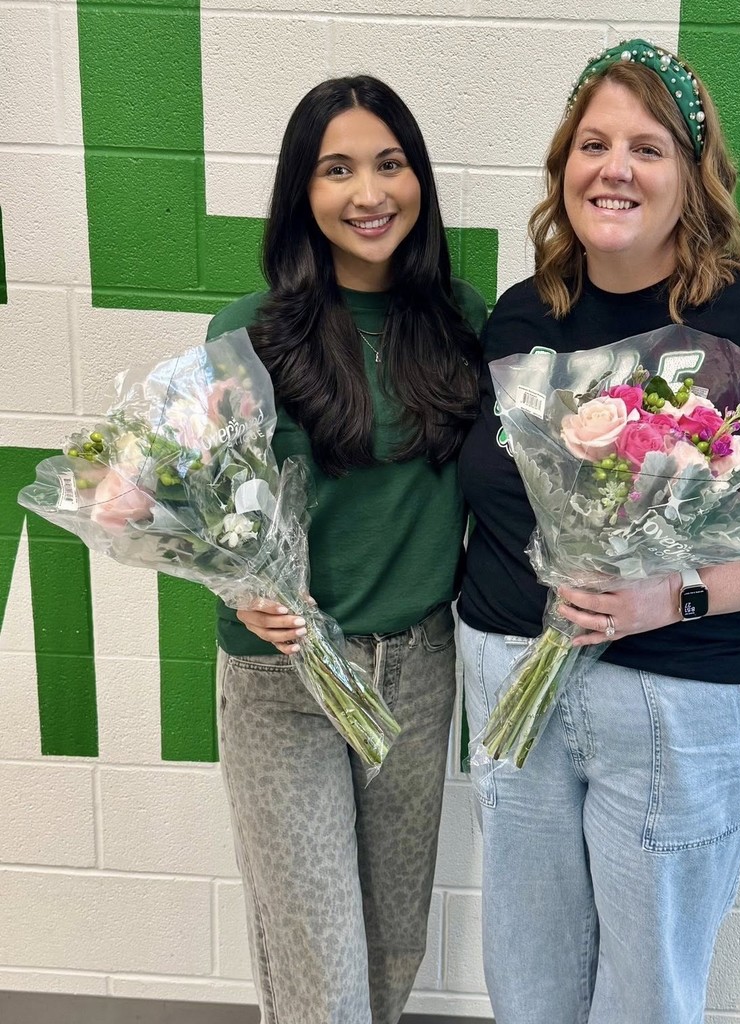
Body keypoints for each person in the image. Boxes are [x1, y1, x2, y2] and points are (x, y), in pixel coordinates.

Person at [457, 40, 740, 1024]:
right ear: (563, 163)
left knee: (646, 986)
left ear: (692, 173)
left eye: (647, 146)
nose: (615, 167)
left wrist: (677, 591)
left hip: (680, 695)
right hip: (513, 674)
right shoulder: (526, 314)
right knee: (527, 972)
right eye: (593, 142)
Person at [206, 76, 487, 1024]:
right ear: (302, 192)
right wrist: (235, 586)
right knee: (321, 973)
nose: (369, 194)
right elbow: (211, 507)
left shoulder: (462, 321)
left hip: (415, 670)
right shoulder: (249, 332)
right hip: (285, 678)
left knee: (391, 946)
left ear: (419, 180)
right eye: (337, 170)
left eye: (390, 164)